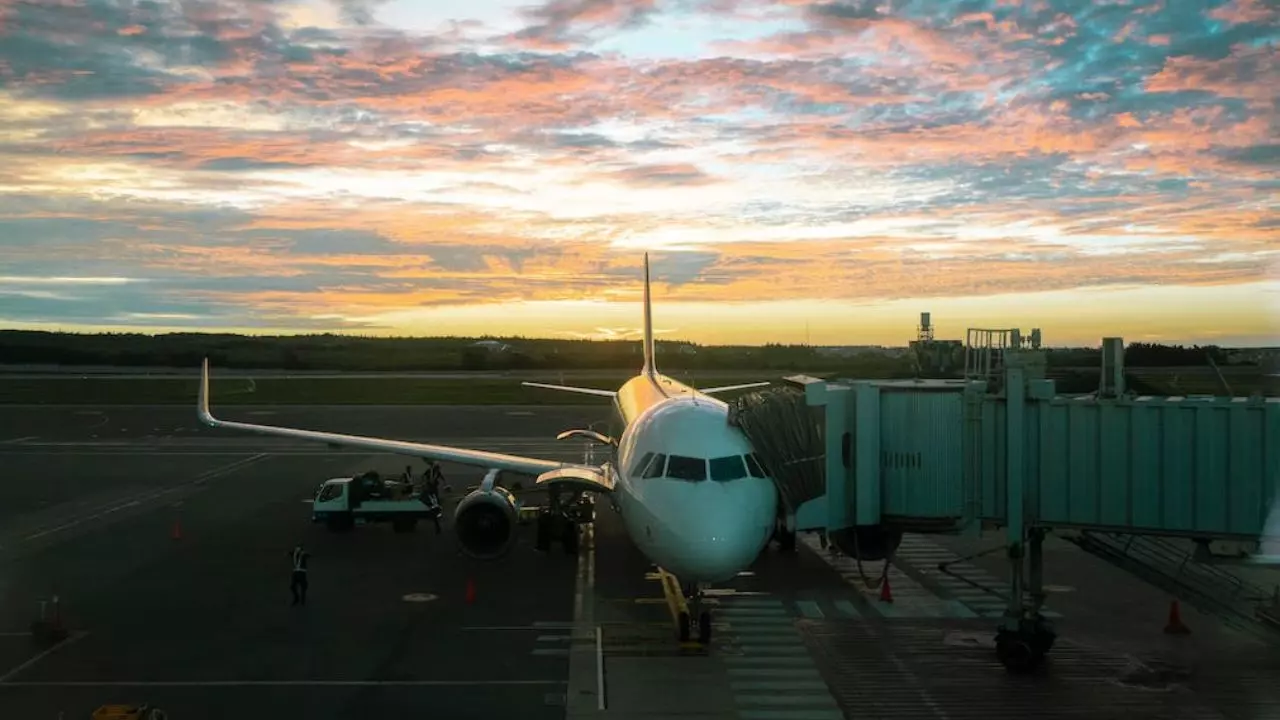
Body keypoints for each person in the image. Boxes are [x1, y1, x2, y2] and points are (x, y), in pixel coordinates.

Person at [423, 461, 444, 534]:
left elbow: (442, 478)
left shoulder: (436, 473)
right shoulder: (431, 471)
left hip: (433, 488)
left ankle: (434, 512)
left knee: (434, 500)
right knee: (432, 500)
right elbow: (424, 476)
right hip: (431, 488)